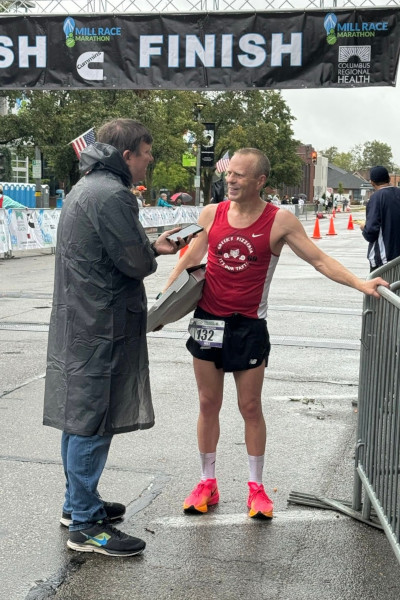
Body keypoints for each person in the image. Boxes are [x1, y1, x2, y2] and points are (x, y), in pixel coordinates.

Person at [161, 148, 388, 520]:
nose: (230, 180)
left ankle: (256, 488)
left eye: (239, 175)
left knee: (250, 407)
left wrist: (360, 284)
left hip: (249, 325)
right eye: (229, 174)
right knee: (207, 404)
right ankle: (207, 481)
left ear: (260, 181)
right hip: (208, 321)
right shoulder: (211, 214)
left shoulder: (279, 221)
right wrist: (161, 305)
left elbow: (319, 259)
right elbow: (188, 259)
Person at [43, 118, 186, 558]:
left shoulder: (88, 186)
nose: (150, 160)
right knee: (92, 421)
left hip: (81, 320)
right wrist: (151, 252)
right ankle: (86, 526)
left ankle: (77, 505)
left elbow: (114, 249)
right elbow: (134, 264)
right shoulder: (112, 194)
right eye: (147, 153)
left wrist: (147, 246)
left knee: (79, 416)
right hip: (100, 325)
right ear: (127, 156)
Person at [360, 166, 400, 271]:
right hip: (398, 260)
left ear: (372, 182)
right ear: (389, 179)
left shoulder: (376, 197)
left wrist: (364, 227)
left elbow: (371, 232)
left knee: (380, 287)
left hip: (383, 260)